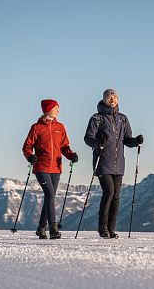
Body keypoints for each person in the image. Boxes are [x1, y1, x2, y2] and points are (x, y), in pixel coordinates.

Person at [84, 89, 143, 238]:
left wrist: (135, 141)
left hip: (119, 163)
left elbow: (127, 140)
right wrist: (98, 143)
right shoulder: (97, 118)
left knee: (116, 196)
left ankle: (111, 229)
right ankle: (102, 228)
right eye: (110, 97)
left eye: (115, 97)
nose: (112, 100)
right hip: (102, 161)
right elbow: (88, 138)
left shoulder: (123, 119)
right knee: (109, 192)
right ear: (104, 99)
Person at [22, 99, 78, 239]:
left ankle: (41, 228)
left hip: (56, 168)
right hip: (41, 166)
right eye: (56, 108)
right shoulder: (36, 127)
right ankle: (53, 228)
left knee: (50, 197)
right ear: (48, 110)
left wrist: (71, 155)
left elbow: (64, 147)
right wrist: (30, 157)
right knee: (50, 194)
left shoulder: (60, 127)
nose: (58, 111)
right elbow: (27, 147)